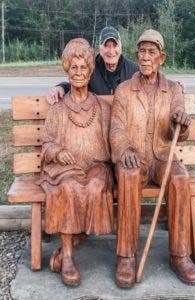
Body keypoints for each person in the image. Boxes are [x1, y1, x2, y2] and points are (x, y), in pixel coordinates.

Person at [110, 29, 195, 288]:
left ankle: (179, 255)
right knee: (127, 176)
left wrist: (181, 124)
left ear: (162, 57)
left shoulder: (173, 90)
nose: (145, 57)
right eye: (141, 51)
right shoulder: (125, 90)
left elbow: (178, 134)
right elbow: (116, 128)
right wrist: (125, 149)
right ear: (136, 55)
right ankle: (126, 255)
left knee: (180, 178)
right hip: (135, 158)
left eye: (152, 52)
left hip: (162, 156)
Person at [37, 39, 114, 286]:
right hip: (65, 171)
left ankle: (77, 238)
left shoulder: (101, 108)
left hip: (95, 166)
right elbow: (47, 145)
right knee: (68, 189)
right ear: (67, 71)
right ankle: (68, 256)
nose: (78, 72)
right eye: (73, 68)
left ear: (90, 70)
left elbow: (114, 140)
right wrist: (59, 152)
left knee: (96, 186)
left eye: (83, 67)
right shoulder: (59, 109)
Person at [47, 26, 138, 104]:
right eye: (106, 46)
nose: (111, 51)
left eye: (115, 45)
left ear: (121, 47)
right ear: (100, 48)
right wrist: (61, 87)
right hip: (98, 120)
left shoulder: (134, 70)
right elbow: (76, 83)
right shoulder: (90, 67)